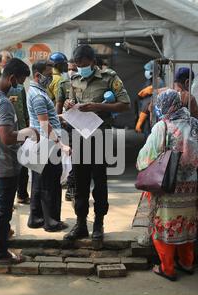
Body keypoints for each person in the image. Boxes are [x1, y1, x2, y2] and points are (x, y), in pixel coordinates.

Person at [136, 89, 198, 281]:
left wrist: (141, 165)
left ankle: (167, 268)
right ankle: (187, 263)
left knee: (165, 226)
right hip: (191, 186)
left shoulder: (163, 126)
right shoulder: (197, 125)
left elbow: (146, 157)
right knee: (186, 225)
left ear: (165, 104)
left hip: (167, 186)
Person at [63, 44, 131, 241]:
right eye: (77, 64)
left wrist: (97, 106)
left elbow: (125, 104)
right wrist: (69, 104)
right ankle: (81, 224)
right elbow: (71, 101)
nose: (79, 68)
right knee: (79, 182)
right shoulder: (74, 79)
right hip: (79, 135)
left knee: (99, 182)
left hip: (101, 136)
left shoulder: (109, 77)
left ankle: (99, 223)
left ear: (92, 62)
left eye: (83, 64)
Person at [0, 58, 38, 265]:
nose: (20, 85)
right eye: (21, 80)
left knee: (1, 207)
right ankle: (0, 253)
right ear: (12, 77)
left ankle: (2, 241)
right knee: (3, 208)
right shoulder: (3, 102)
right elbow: (7, 137)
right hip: (5, 161)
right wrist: (27, 133)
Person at [26, 60, 70, 232]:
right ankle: (51, 222)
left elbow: (43, 119)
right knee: (50, 184)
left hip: (39, 142)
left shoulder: (37, 92)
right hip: (47, 144)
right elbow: (45, 126)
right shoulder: (38, 96)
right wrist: (62, 145)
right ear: (38, 75)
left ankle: (35, 218)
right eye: (49, 75)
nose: (51, 78)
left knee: (38, 182)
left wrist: (60, 116)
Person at [56, 59, 78, 202]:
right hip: (69, 125)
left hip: (85, 125)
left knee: (82, 159)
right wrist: (59, 120)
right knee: (73, 156)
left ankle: (75, 186)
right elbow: (58, 104)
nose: (72, 71)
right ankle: (71, 187)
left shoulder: (85, 83)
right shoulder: (63, 84)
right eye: (69, 68)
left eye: (74, 69)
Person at [135, 60, 166, 137]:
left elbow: (148, 102)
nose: (146, 72)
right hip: (148, 114)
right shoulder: (150, 81)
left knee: (152, 135)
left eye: (148, 70)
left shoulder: (158, 82)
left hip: (153, 114)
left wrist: (140, 120)